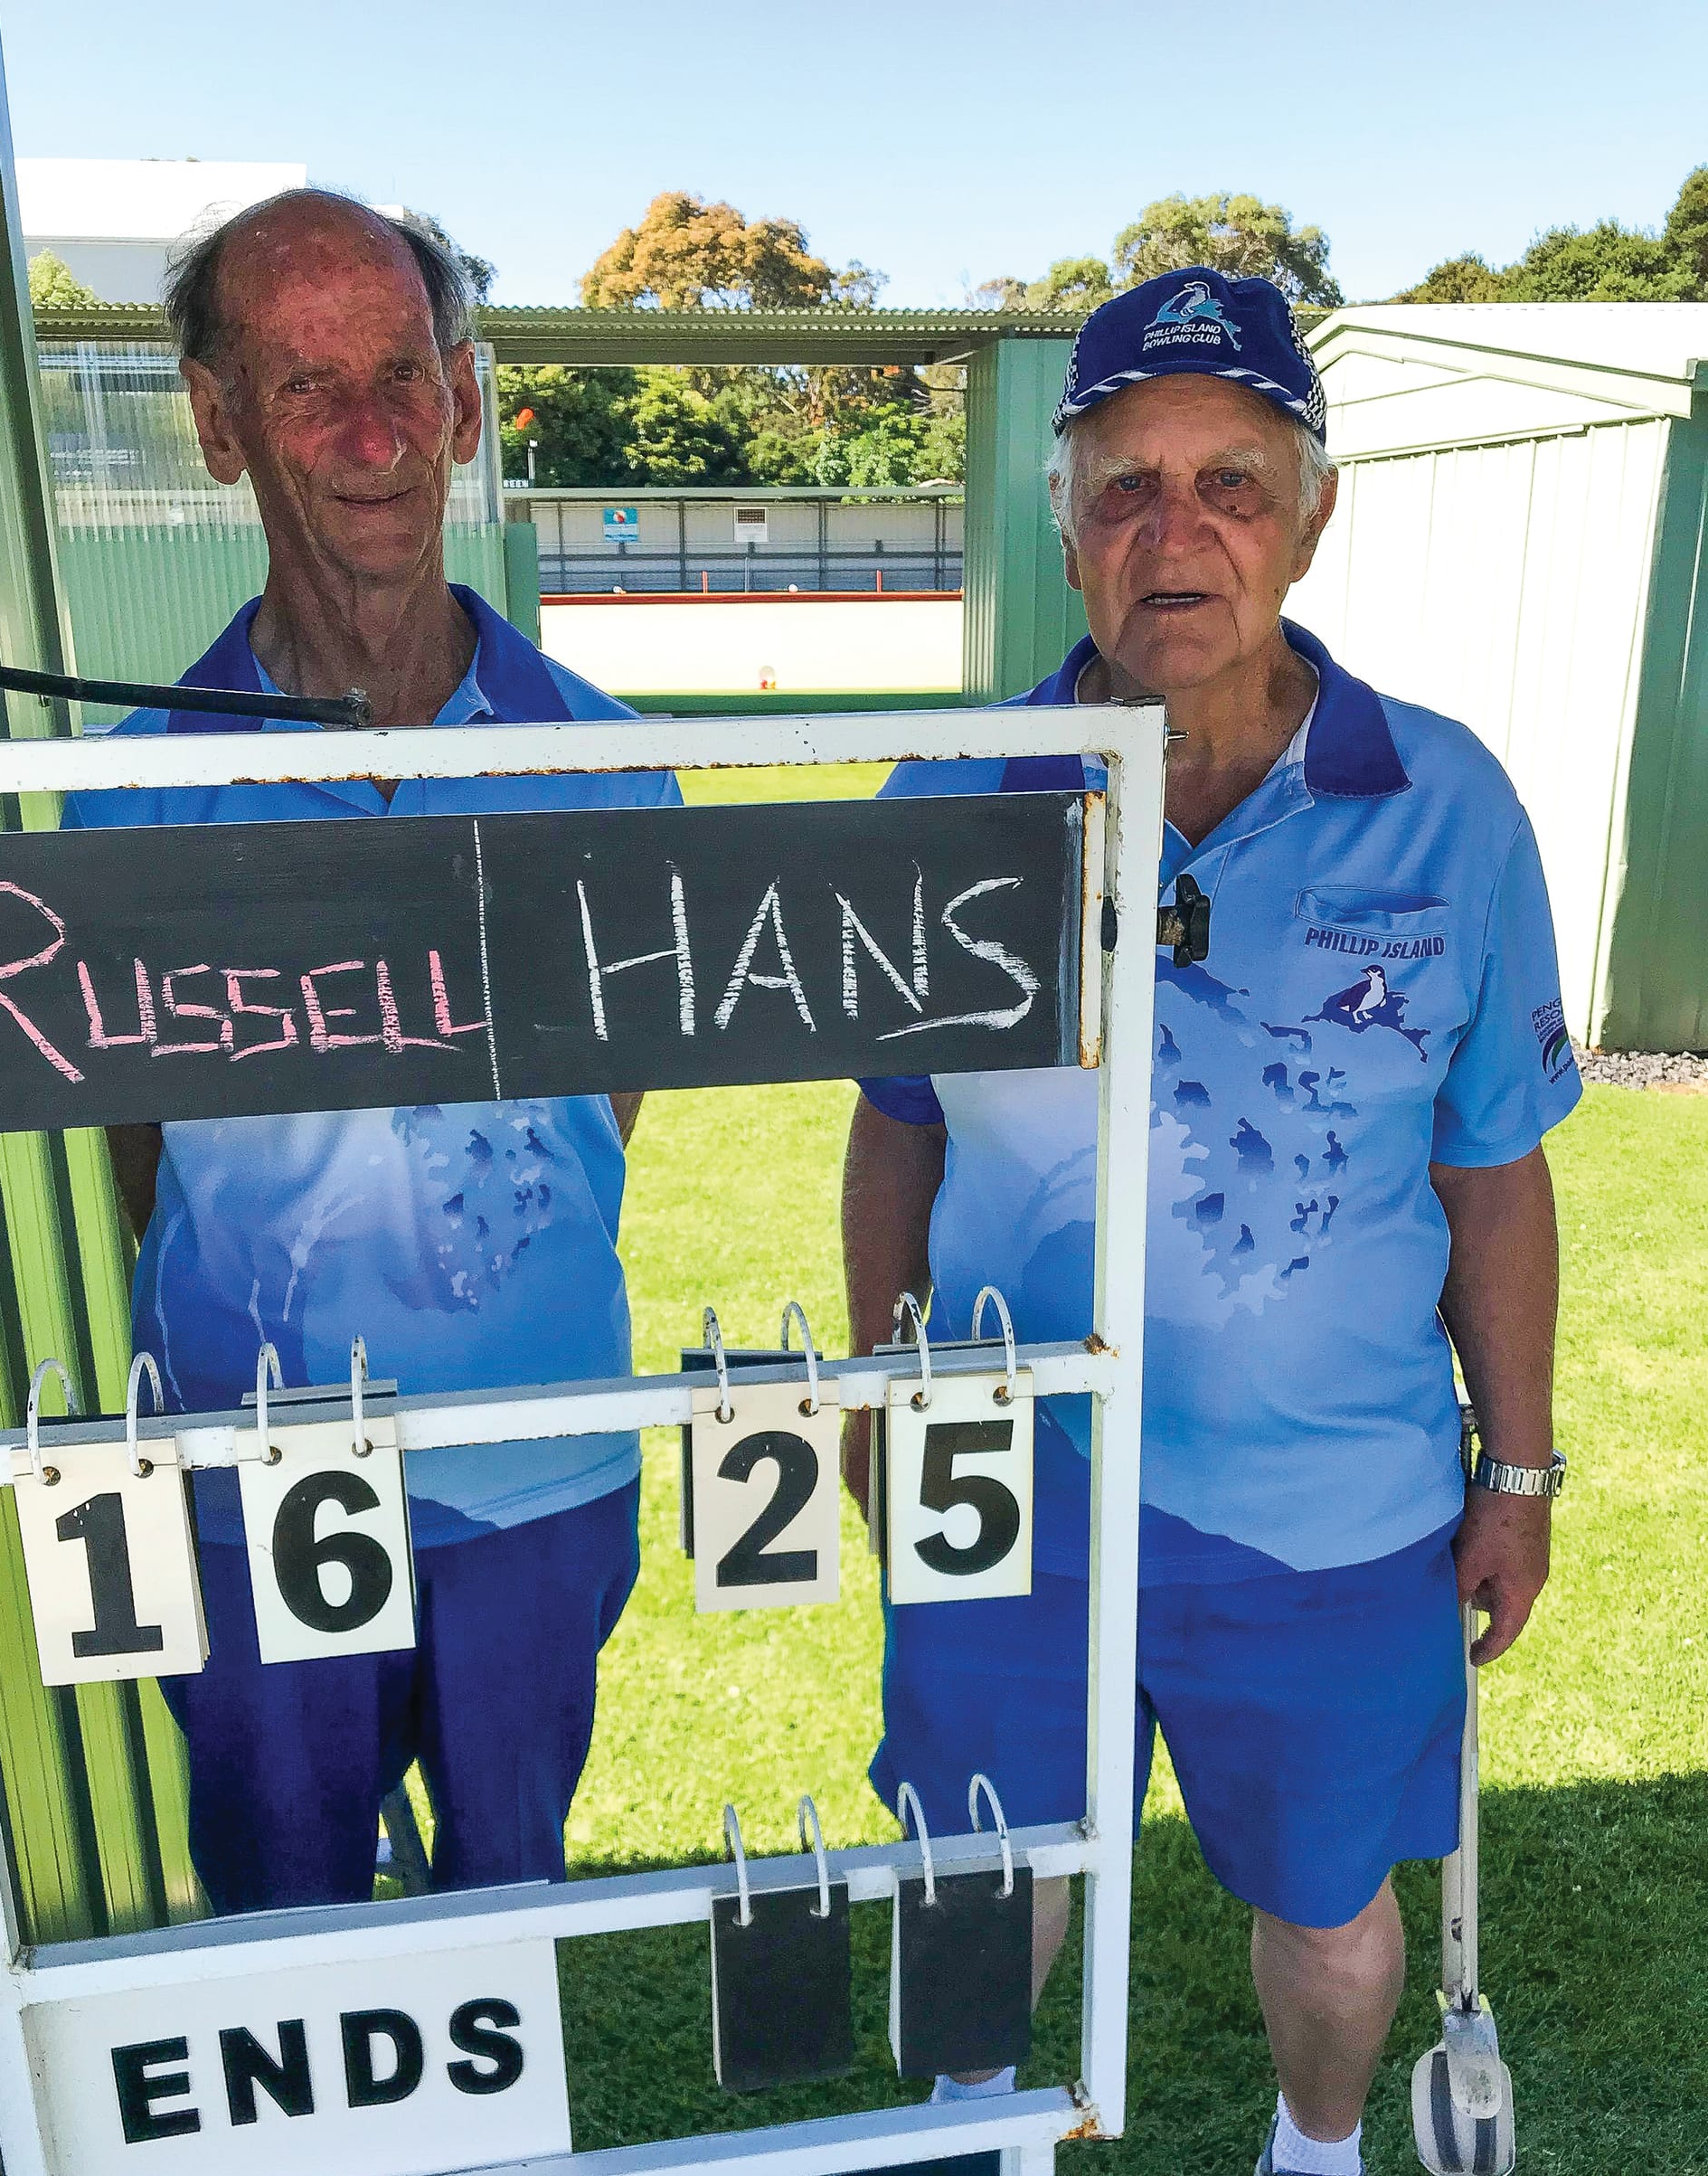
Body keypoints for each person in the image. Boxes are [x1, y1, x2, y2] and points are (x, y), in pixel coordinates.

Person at [843, 267, 1579, 2176]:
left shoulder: (1447, 807)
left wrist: (1516, 1468)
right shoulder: (952, 797)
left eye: (1231, 483)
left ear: (1313, 511)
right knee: (988, 1867)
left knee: (1331, 1903)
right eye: (1125, 487)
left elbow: (1493, 1167)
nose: (1176, 535)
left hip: (1331, 1507)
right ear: (1067, 522)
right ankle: (976, 2141)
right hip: (1014, 1483)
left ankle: (1313, 2154)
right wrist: (882, 1383)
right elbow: (893, 1132)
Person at [64, 189, 677, 1912]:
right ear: (214, 426)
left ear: (467, 400)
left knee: (507, 1919)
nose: (371, 430)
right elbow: (143, 1140)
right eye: (304, 385)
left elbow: (610, 1094)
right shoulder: (132, 794)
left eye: (405, 371)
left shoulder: (609, 763)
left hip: (542, 1473)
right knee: (286, 1939)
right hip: (251, 1482)